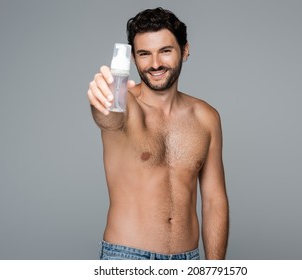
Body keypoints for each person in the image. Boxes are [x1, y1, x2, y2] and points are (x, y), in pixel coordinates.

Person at [87, 7, 229, 260]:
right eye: (144, 54)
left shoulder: (207, 117)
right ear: (132, 58)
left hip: (189, 260)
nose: (154, 64)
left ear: (184, 50)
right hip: (127, 259)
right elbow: (108, 118)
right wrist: (102, 100)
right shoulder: (124, 105)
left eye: (165, 51)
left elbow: (214, 200)